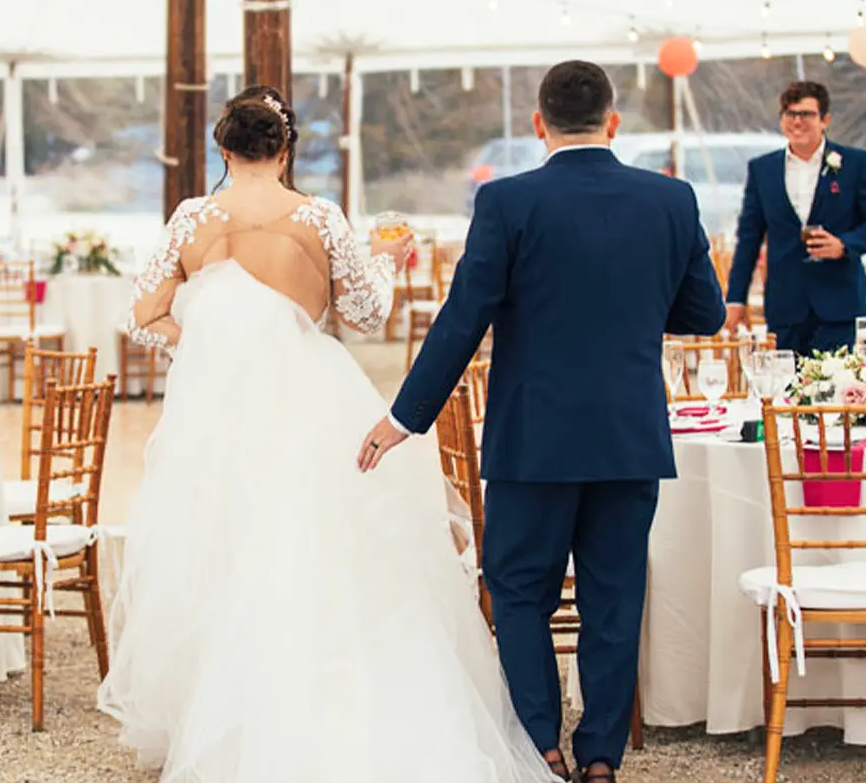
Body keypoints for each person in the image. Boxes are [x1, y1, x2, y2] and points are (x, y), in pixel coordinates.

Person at [98, 87, 556, 782]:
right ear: (284, 151)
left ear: (222, 150)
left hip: (217, 415)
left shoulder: (193, 217)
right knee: (318, 543)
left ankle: (228, 718)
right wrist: (390, 262)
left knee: (221, 547)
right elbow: (366, 315)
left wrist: (208, 343)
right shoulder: (318, 217)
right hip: (306, 401)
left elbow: (141, 314)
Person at [359, 61, 726, 783]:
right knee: (613, 597)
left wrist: (405, 416)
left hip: (534, 440)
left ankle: (538, 745)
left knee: (520, 590)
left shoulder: (506, 203)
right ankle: (599, 757)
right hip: (629, 435)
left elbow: (464, 319)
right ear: (612, 121)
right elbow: (706, 315)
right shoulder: (672, 200)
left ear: (539, 123)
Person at [723, 81, 866, 356]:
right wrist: (735, 298)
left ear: (825, 120)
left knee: (835, 391)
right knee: (785, 392)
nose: (797, 122)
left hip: (839, 303)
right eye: (790, 114)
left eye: (806, 114)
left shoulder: (854, 163)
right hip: (785, 304)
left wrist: (844, 245)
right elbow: (749, 237)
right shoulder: (762, 169)